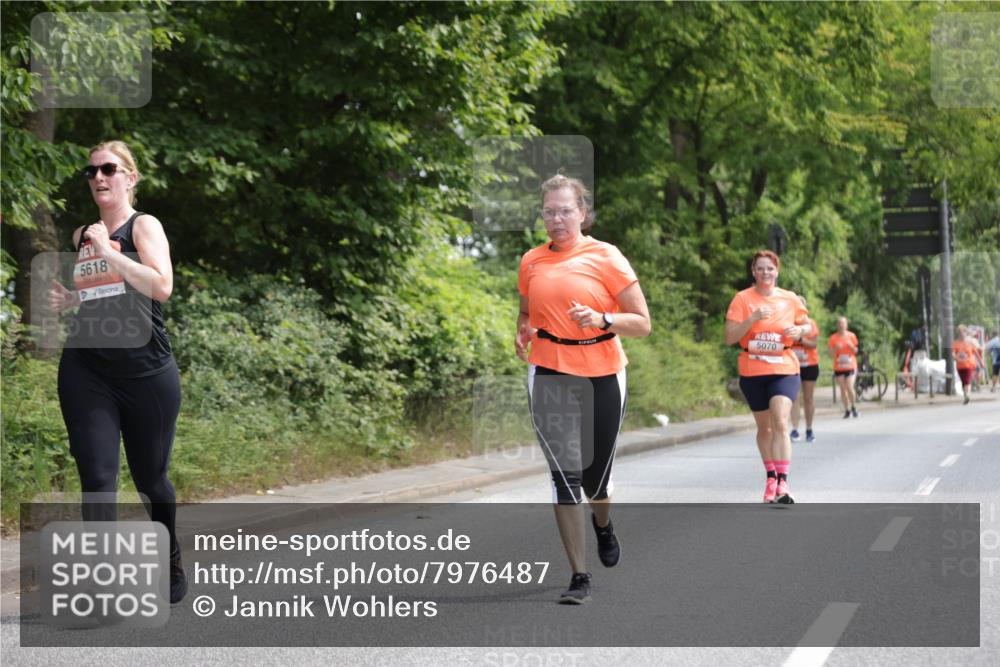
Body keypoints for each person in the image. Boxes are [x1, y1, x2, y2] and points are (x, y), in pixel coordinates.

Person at [47, 140, 187, 604]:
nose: (99, 178)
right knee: (98, 476)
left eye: (109, 169)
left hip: (147, 370)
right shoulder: (82, 235)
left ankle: (168, 558)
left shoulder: (143, 225)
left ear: (130, 177)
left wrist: (111, 254)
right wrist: (71, 298)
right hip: (88, 368)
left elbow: (161, 287)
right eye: (91, 172)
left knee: (151, 481)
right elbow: (102, 293)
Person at [515, 173, 651, 604]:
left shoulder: (606, 256)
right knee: (564, 476)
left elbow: (643, 323)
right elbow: (525, 310)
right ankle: (580, 576)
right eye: (549, 211)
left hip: (602, 369)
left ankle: (603, 524)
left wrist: (603, 319)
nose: (557, 219)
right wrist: (522, 331)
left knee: (596, 480)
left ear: (583, 214)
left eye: (565, 210)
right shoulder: (531, 260)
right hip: (550, 368)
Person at [725, 250, 809, 504]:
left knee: (781, 422)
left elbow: (807, 325)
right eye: (760, 268)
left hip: (784, 367)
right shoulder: (742, 299)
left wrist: (800, 329)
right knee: (765, 428)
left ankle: (783, 482)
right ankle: (770, 476)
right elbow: (730, 337)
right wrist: (752, 318)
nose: (765, 273)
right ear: (753, 271)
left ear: (777, 271)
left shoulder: (790, 299)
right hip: (752, 370)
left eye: (770, 269)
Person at [789, 295, 819, 443]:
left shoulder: (811, 324)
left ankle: (809, 429)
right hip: (792, 364)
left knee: (808, 398)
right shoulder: (788, 322)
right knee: (794, 397)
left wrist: (800, 339)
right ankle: (794, 429)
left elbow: (814, 344)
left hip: (809, 364)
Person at [828, 317, 859, 418]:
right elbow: (830, 354)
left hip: (850, 365)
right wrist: (835, 349)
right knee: (842, 389)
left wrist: (851, 347)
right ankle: (847, 409)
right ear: (837, 325)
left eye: (843, 323)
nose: (841, 325)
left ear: (846, 325)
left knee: (849, 387)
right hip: (839, 367)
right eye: (839, 323)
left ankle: (854, 407)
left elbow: (856, 351)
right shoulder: (833, 338)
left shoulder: (851, 336)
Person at [953, 326, 978, 404]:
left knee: (967, 380)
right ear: (958, 334)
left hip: (969, 364)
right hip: (960, 365)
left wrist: (981, 363)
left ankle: (967, 395)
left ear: (965, 333)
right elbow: (953, 353)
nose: (962, 334)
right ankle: (965, 395)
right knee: (963, 381)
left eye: (963, 332)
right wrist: (956, 357)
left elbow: (976, 353)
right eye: (960, 333)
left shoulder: (970, 343)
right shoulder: (955, 343)